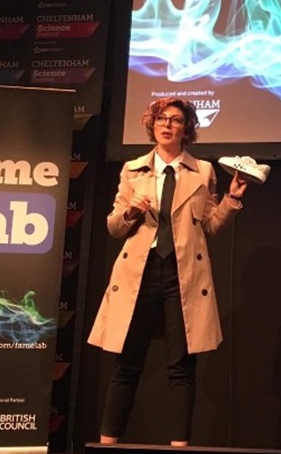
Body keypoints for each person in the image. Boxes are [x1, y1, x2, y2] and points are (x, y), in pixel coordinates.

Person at [87, 98, 248, 446]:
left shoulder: (203, 171)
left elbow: (210, 224)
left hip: (182, 275)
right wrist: (130, 212)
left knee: (181, 366)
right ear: (152, 124)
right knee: (126, 364)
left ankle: (179, 446)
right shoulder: (132, 169)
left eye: (176, 120)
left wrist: (231, 201)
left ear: (186, 129)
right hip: (139, 274)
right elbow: (114, 227)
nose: (167, 124)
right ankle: (107, 444)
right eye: (161, 118)